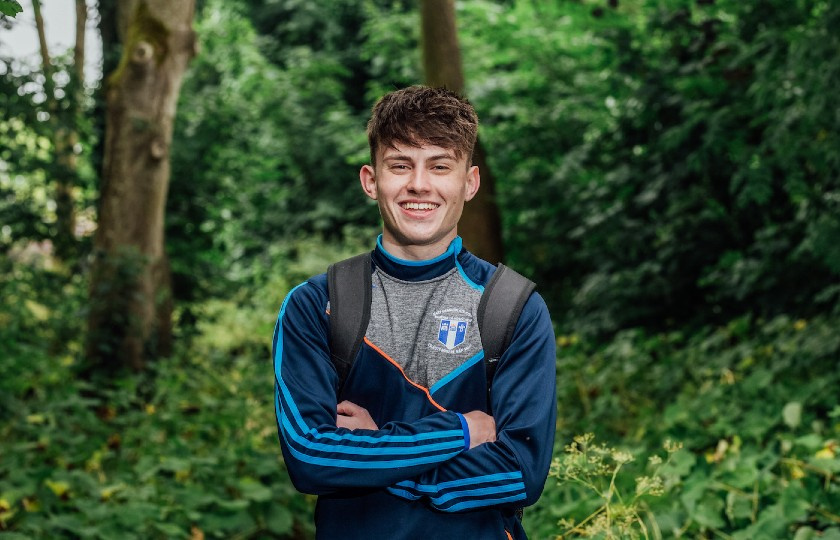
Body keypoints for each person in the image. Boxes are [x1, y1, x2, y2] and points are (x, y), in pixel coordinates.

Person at [272, 86, 556, 539]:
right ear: (371, 180)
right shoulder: (316, 305)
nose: (419, 184)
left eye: (440, 166)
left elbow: (520, 473)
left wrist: (370, 448)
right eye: (400, 165)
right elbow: (312, 459)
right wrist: (462, 431)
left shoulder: (512, 306)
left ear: (470, 182)